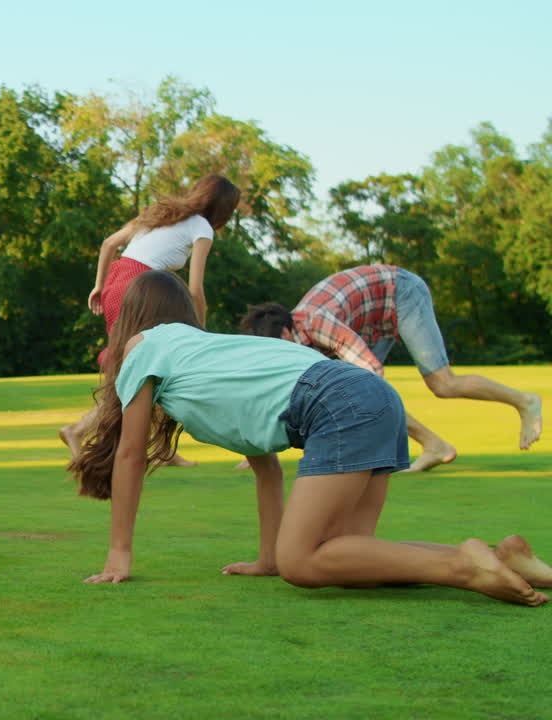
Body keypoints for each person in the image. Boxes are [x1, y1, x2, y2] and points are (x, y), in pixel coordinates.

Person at [68, 269, 551, 606]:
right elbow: (265, 465)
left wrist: (119, 553)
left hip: (335, 401)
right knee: (350, 560)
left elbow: (130, 454)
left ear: (131, 318)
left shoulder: (141, 347)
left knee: (302, 564)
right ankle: (502, 558)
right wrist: (265, 558)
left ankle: (466, 568)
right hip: (373, 397)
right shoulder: (207, 353)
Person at [240, 264, 542, 472]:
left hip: (400, 293)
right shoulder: (292, 335)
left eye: (280, 346)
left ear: (286, 332)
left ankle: (525, 401)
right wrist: (258, 450)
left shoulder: (318, 325)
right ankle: (435, 445)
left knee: (440, 384)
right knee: (348, 390)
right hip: (373, 319)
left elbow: (371, 374)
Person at [59, 175, 241, 465]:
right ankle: (80, 430)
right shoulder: (202, 227)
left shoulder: (158, 214)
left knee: (145, 367)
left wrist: (99, 285)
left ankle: (161, 450)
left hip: (117, 282)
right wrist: (201, 331)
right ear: (223, 209)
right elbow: (195, 289)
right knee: (147, 367)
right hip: (140, 288)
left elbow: (108, 245)